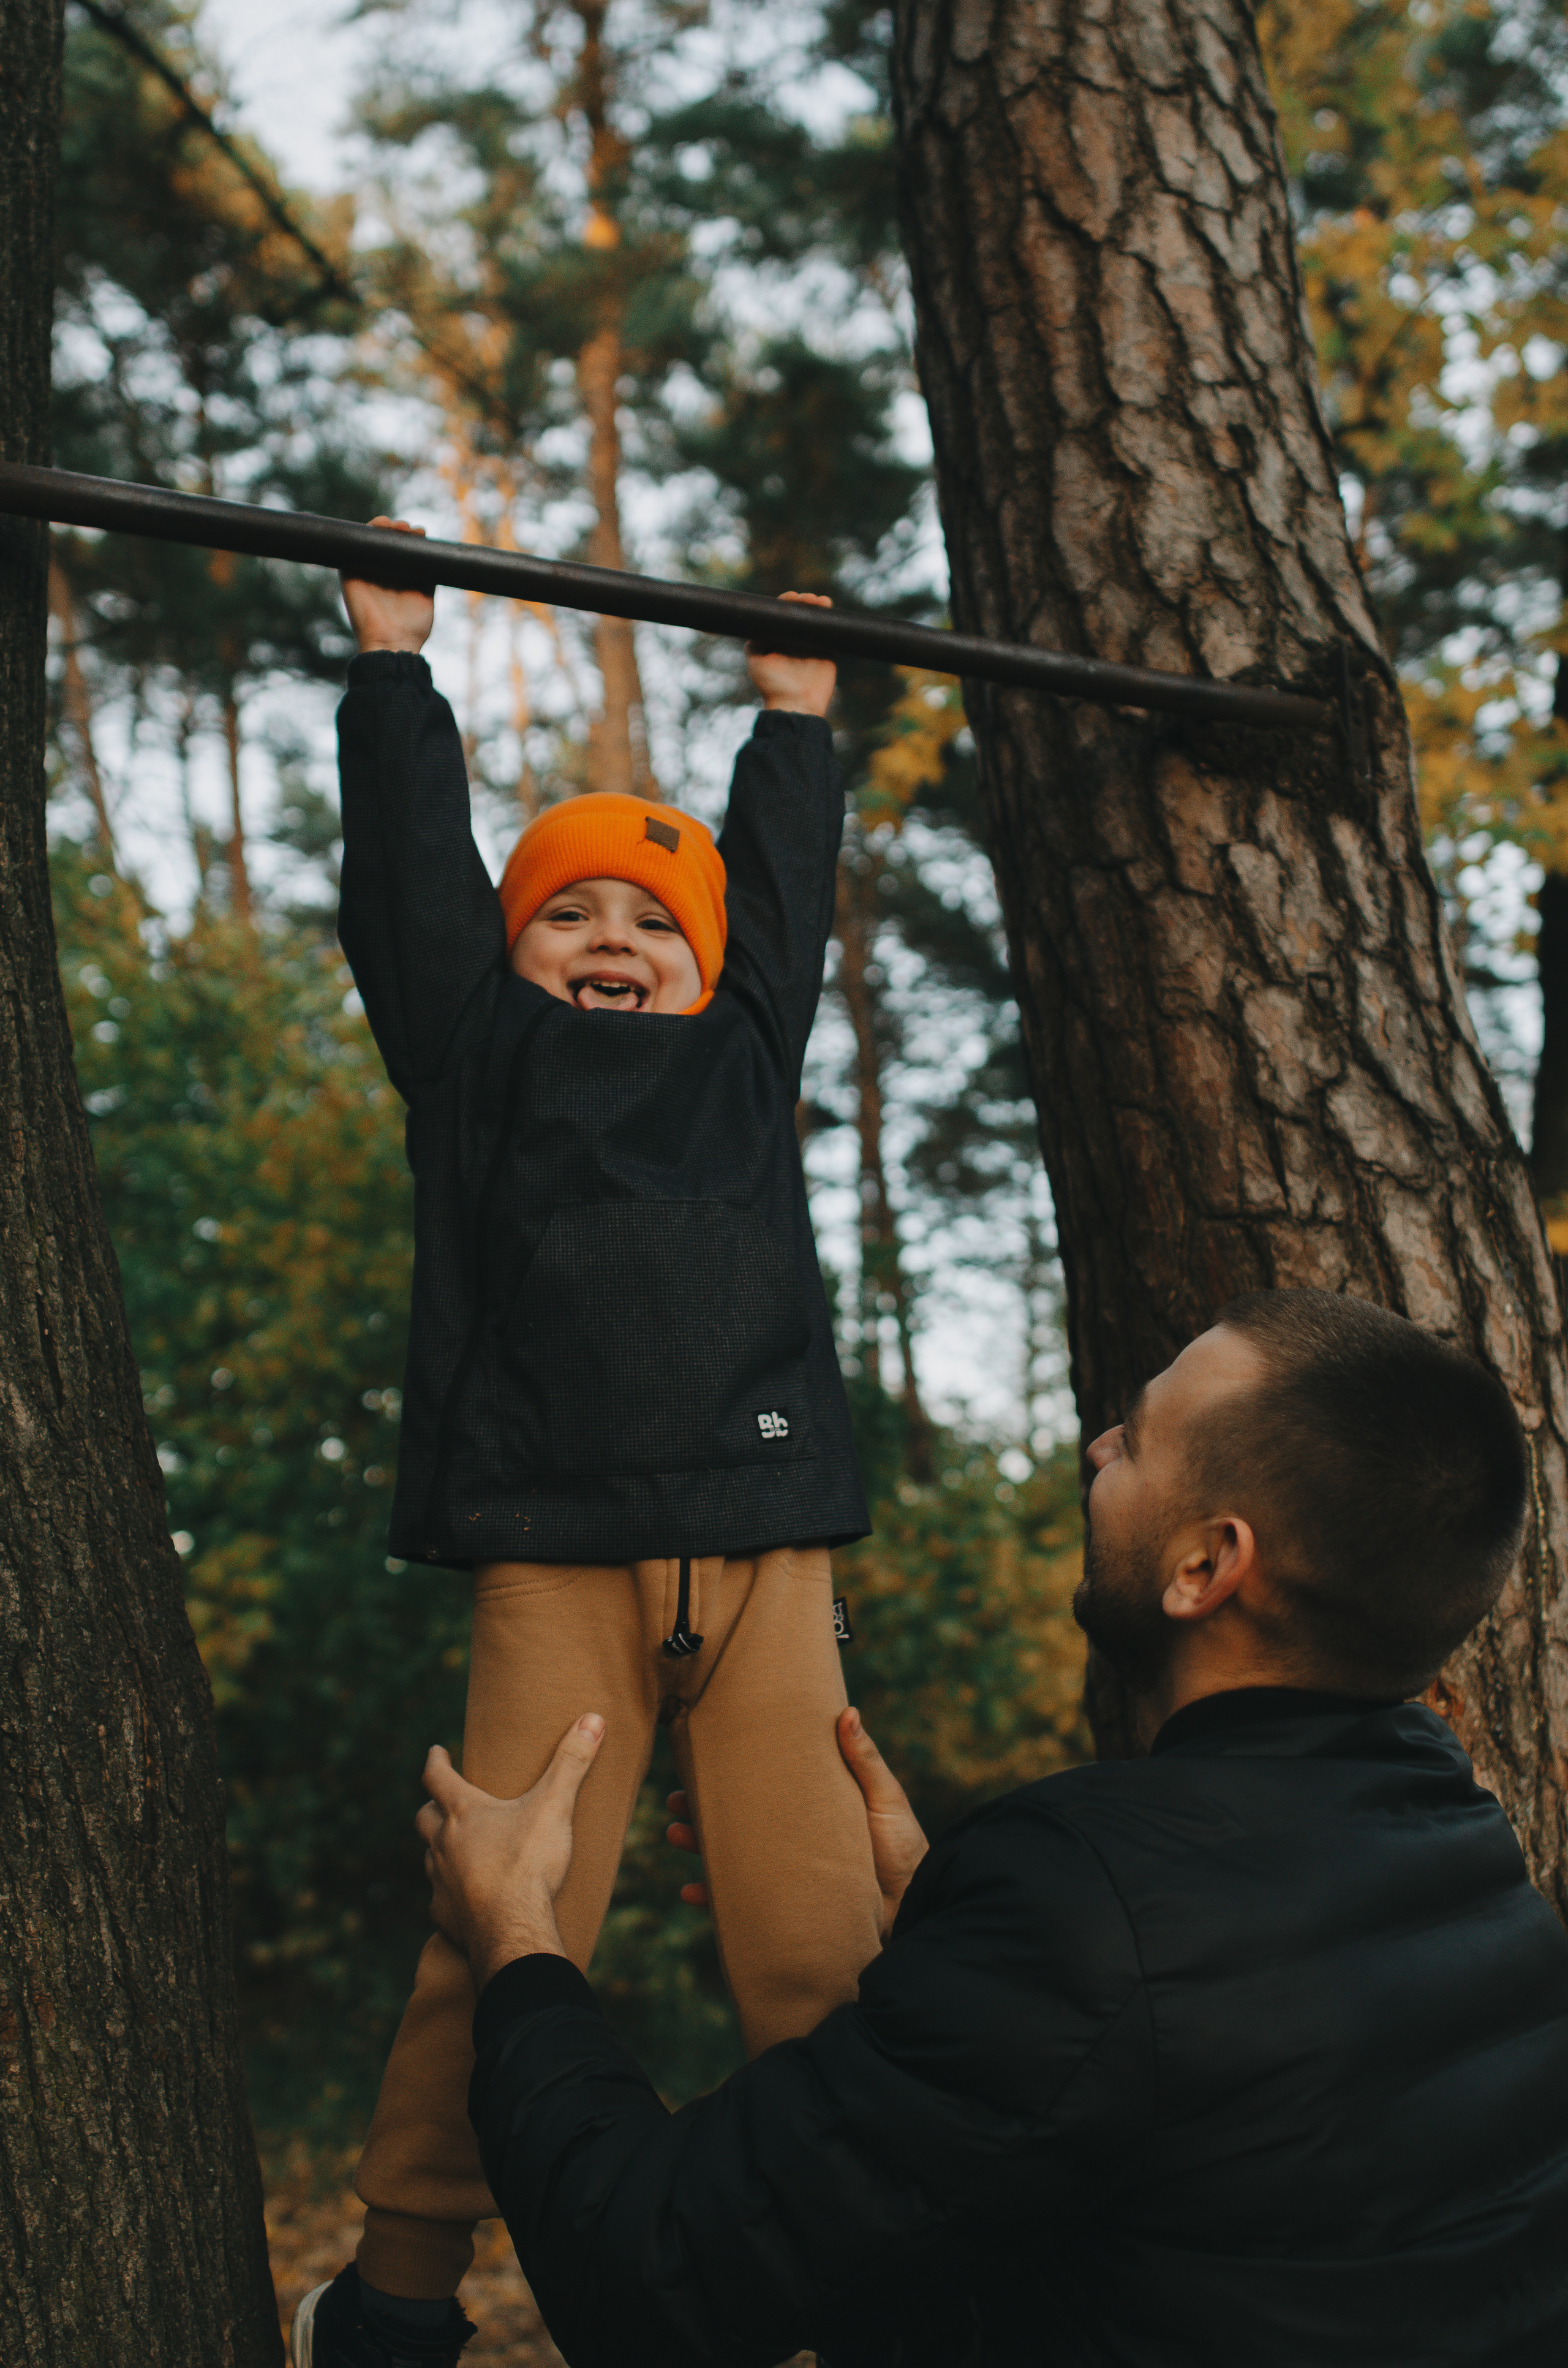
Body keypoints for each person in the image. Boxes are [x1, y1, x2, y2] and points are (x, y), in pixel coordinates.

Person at [417, 1289, 1568, 2368]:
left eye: (1136, 1434)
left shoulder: (1088, 1908)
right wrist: (949, 1932)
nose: (1096, 1450)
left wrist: (518, 1939)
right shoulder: (1483, 1871)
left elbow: (652, 2273)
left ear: (1207, 1565)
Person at [288, 528, 884, 2368]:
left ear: (708, 972)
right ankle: (397, 2295)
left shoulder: (744, 1047)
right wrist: (393, 667)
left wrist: (792, 716)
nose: (614, 938)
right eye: (569, 913)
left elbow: (778, 887)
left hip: (770, 1543)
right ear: (510, 951)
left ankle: (876, 2283)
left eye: (651, 921)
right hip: (558, 1550)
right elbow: (407, 880)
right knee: (504, 1917)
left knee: (825, 1947)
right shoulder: (474, 1050)